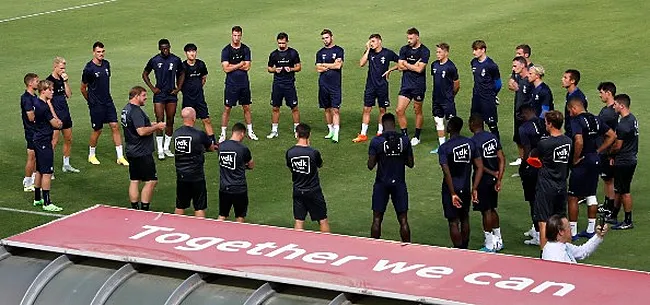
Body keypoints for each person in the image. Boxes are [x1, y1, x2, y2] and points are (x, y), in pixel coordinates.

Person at [567, 98, 616, 239]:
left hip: (582, 161)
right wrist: (598, 151)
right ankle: (590, 229)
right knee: (591, 194)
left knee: (573, 196)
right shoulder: (596, 119)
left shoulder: (576, 121)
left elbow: (579, 140)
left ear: (574, 108)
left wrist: (576, 158)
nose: (570, 114)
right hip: (594, 159)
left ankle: (573, 231)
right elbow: (612, 135)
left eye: (570, 110)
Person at [438, 117, 483, 248]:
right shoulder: (470, 144)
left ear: (450, 128)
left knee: (453, 221)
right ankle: (465, 248)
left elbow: (446, 172)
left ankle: (458, 251)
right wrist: (474, 188)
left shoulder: (444, 148)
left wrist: (452, 193)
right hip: (465, 186)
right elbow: (479, 167)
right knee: (464, 218)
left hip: (451, 188)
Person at [367, 113, 414, 241]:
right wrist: (399, 155)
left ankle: (374, 248)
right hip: (399, 183)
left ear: (382, 124)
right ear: (395, 124)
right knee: (403, 220)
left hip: (381, 183)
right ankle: (407, 248)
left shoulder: (376, 141)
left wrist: (381, 155)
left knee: (377, 219)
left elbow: (370, 165)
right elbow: (411, 164)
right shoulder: (404, 140)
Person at [81, 41, 128, 166]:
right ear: (93, 53)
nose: (101, 54)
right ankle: (91, 155)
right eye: (98, 52)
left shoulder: (107, 64)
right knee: (97, 129)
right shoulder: (89, 69)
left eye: (102, 51)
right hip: (96, 105)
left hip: (108, 101)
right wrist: (91, 101)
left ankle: (120, 157)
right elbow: (83, 88)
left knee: (115, 126)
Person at [530, 110, 572, 250]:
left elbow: (532, 159)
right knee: (563, 219)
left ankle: (544, 254)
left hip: (546, 186)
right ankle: (568, 250)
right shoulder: (568, 141)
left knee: (543, 221)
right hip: (561, 184)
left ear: (550, 124)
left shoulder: (544, 144)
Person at [121, 86, 165, 211]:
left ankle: (134, 208)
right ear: (136, 96)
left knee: (134, 180)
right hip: (142, 151)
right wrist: (156, 128)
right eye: (144, 96)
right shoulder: (136, 111)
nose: (146, 98)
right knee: (151, 181)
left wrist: (153, 124)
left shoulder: (126, 109)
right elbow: (141, 131)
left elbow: (137, 125)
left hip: (131, 149)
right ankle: (144, 209)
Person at [143, 38, 185, 160]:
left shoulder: (176, 59)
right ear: (159, 48)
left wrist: (178, 88)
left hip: (171, 94)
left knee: (170, 120)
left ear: (170, 47)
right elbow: (145, 73)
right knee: (160, 120)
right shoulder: (155, 60)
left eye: (167, 48)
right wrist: (152, 88)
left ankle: (166, 148)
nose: (165, 50)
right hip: (159, 94)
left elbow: (182, 73)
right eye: (163, 48)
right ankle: (160, 149)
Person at [352, 33, 399, 143]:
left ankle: (380, 131)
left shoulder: (387, 53)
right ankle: (363, 134)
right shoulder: (370, 53)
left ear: (379, 41)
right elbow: (361, 63)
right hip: (370, 86)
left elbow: (401, 62)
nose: (371, 43)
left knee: (382, 109)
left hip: (382, 86)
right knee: (366, 109)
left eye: (373, 41)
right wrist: (367, 49)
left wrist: (390, 70)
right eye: (370, 42)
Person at [469, 114, 505, 252]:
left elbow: (479, 166)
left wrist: (474, 187)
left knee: (486, 211)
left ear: (472, 124)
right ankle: (499, 239)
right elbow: (501, 158)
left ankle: (490, 244)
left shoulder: (474, 142)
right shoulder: (492, 137)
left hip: (482, 180)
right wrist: (499, 177)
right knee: (492, 208)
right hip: (494, 180)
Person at [286, 123, 330, 232]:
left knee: (299, 221)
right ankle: (328, 244)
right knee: (322, 220)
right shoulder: (313, 152)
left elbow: (290, 167)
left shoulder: (290, 152)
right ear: (309, 135)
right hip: (313, 191)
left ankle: (297, 245)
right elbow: (319, 164)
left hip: (298, 190)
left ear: (296, 134)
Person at [173, 107, 216, 218]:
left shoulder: (177, 133)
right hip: (196, 175)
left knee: (180, 205)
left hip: (181, 175)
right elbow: (211, 147)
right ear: (193, 117)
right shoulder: (199, 134)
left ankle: (175, 226)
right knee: (199, 206)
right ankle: (200, 229)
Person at [220, 26, 258, 143]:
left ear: (241, 36)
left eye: (238, 35)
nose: (236, 38)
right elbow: (225, 69)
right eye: (234, 35)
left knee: (246, 107)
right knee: (227, 108)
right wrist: (239, 64)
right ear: (231, 35)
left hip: (243, 84)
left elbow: (247, 66)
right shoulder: (226, 50)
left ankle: (250, 131)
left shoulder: (245, 49)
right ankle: (223, 133)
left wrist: (233, 66)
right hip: (231, 84)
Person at [518, 104, 549, 245]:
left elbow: (527, 151)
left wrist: (523, 167)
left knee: (533, 201)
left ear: (524, 114)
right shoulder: (545, 122)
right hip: (547, 166)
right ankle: (539, 229)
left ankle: (538, 234)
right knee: (544, 199)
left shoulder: (524, 128)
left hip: (533, 167)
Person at [608, 94, 638, 230]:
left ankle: (628, 220)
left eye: (615, 104)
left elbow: (618, 146)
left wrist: (610, 154)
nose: (613, 106)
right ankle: (614, 215)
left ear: (622, 106)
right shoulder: (632, 119)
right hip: (630, 157)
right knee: (619, 189)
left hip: (624, 160)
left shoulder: (623, 125)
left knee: (624, 191)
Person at [33, 80, 64, 211]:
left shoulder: (37, 103)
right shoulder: (43, 107)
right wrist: (59, 123)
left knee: (40, 169)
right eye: (50, 90)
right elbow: (55, 124)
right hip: (44, 140)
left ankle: (37, 198)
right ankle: (47, 202)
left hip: (37, 139)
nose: (52, 92)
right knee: (47, 172)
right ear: (43, 91)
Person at [396, 28, 430, 146]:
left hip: (418, 86)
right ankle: (405, 135)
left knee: (417, 110)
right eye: (408, 38)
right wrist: (412, 65)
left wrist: (406, 64)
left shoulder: (424, 51)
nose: (409, 40)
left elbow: (420, 69)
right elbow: (400, 67)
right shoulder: (404, 49)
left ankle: (417, 136)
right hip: (406, 85)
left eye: (411, 38)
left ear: (417, 37)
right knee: (399, 110)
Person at [266, 32, 302, 139]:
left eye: (283, 43)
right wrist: (274, 70)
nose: (281, 45)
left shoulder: (293, 53)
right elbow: (269, 68)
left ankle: (297, 130)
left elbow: (299, 67)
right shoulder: (273, 55)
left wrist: (291, 69)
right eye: (279, 43)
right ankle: (274, 130)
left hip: (289, 84)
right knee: (275, 107)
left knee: (294, 107)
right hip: (277, 84)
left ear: (287, 42)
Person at [47, 57, 79, 173]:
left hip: (65, 113)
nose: (63, 70)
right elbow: (48, 101)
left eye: (64, 68)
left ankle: (66, 164)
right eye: (61, 68)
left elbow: (69, 95)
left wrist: (65, 81)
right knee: (54, 142)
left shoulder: (62, 79)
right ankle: (48, 168)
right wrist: (54, 117)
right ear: (55, 67)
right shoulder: (49, 81)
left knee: (68, 138)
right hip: (55, 115)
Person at [218, 123, 254, 222]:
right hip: (239, 188)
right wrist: (243, 166)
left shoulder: (221, 146)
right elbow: (251, 165)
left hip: (224, 187)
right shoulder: (243, 149)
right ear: (242, 133)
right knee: (240, 216)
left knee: (222, 215)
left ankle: (216, 232)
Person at [181, 43, 215, 144]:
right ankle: (189, 141)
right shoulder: (182, 66)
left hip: (199, 98)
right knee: (188, 121)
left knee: (206, 119)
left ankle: (212, 141)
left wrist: (198, 88)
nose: (192, 53)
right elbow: (179, 82)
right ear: (186, 53)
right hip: (188, 98)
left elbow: (204, 78)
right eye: (189, 51)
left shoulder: (201, 64)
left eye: (194, 51)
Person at [429, 42, 460, 154]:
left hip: (447, 100)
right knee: (438, 121)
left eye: (440, 52)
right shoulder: (434, 65)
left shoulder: (451, 67)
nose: (437, 54)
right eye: (437, 52)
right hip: (436, 99)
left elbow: (456, 84)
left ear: (446, 53)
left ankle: (453, 145)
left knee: (451, 123)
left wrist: (451, 95)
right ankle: (442, 146)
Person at [315, 29, 345, 143]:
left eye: (326, 37)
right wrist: (331, 64)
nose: (325, 40)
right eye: (323, 38)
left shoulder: (338, 50)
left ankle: (336, 133)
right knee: (326, 109)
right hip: (323, 85)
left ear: (331, 37)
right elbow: (318, 68)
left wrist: (325, 65)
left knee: (335, 109)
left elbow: (338, 66)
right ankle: (330, 130)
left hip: (335, 85)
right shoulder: (319, 52)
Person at [542, 214, 608, 263]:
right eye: (569, 227)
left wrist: (598, 235)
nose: (571, 229)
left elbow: (582, 251)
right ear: (561, 232)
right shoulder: (556, 257)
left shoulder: (562, 245)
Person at [470, 40, 502, 140]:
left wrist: (492, 94)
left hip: (487, 98)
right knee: (476, 122)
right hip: (476, 97)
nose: (473, 52)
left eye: (476, 50)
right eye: (473, 50)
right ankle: (479, 143)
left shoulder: (491, 65)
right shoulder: (473, 62)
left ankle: (497, 146)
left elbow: (498, 83)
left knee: (491, 124)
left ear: (483, 50)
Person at [596, 82, 618, 217]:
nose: (600, 95)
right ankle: (607, 204)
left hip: (607, 151)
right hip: (607, 150)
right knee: (607, 179)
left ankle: (610, 206)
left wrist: (611, 155)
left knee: (608, 180)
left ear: (608, 93)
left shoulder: (609, 113)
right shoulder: (611, 109)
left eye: (601, 93)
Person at [509, 56, 533, 167]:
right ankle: (522, 159)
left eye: (515, 66)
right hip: (518, 112)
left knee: (527, 139)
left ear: (523, 65)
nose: (513, 69)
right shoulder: (519, 77)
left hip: (527, 115)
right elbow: (511, 85)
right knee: (518, 136)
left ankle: (529, 161)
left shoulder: (529, 80)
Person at [21, 73, 39, 192]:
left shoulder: (34, 96)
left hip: (36, 131)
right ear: (30, 83)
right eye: (36, 81)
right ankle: (27, 182)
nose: (38, 83)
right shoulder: (26, 98)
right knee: (31, 157)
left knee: (36, 156)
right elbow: (31, 117)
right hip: (31, 131)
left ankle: (33, 178)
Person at [561, 69, 587, 136]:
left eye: (565, 78)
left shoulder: (577, 97)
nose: (562, 79)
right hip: (570, 130)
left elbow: (579, 116)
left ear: (572, 81)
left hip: (575, 132)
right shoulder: (569, 94)